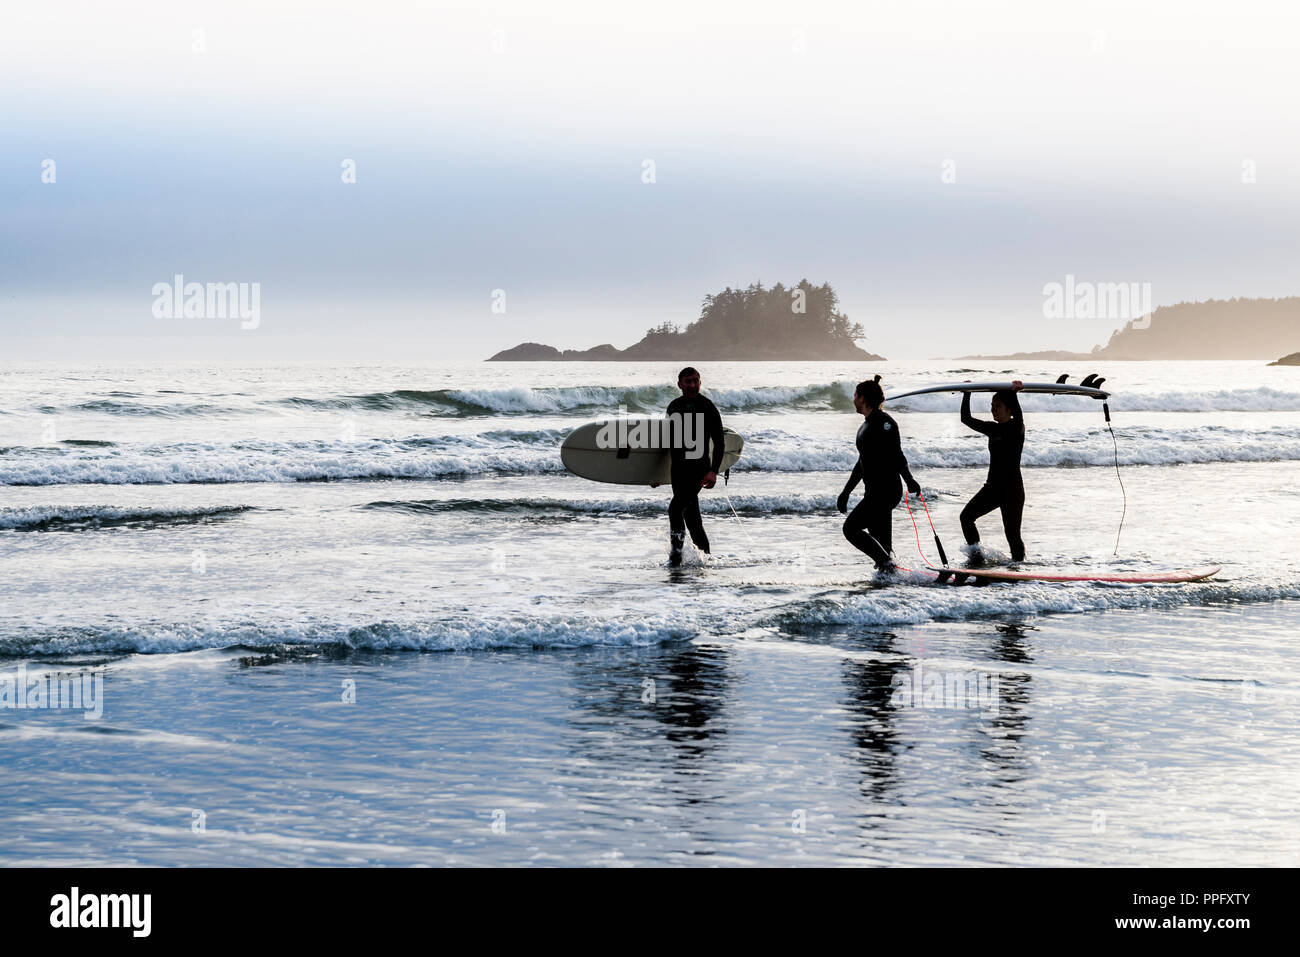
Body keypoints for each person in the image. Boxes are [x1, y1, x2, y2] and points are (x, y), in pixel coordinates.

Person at [837, 375, 921, 573]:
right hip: (874, 491)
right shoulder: (865, 425)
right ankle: (889, 581)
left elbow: (896, 454)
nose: (853, 399)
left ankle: (888, 566)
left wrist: (910, 480)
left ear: (863, 398)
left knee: (850, 529)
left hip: (886, 491)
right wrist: (846, 491)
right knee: (882, 544)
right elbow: (861, 463)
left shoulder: (885, 423)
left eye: (855, 395)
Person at [658, 366, 725, 566]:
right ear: (680, 384)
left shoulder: (708, 407)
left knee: (675, 510)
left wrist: (713, 471)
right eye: (688, 381)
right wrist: (655, 474)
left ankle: (676, 557)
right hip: (678, 470)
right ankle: (706, 559)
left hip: (698, 470)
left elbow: (719, 442)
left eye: (696, 380)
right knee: (693, 520)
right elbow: (667, 441)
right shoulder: (674, 406)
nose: (693, 385)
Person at [958, 382, 1026, 564]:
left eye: (997, 406)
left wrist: (1014, 393)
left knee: (1012, 535)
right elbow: (965, 418)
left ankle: (1018, 568)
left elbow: (1018, 412)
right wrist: (967, 393)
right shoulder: (992, 428)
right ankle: (977, 558)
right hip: (993, 488)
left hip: (1012, 490)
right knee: (966, 517)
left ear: (1008, 409)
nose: (993, 410)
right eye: (991, 406)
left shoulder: (1017, 427)